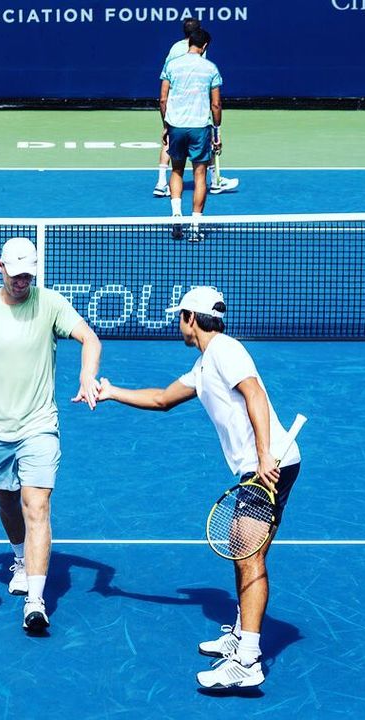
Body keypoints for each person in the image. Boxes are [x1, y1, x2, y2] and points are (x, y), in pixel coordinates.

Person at [94, 286, 302, 689]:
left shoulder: (225, 350)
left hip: (267, 466)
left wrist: (263, 456)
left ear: (191, 318)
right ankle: (242, 635)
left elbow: (255, 395)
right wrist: (112, 392)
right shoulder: (207, 363)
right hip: (265, 464)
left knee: (248, 556)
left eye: (181, 316)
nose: (179, 323)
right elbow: (162, 399)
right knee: (245, 552)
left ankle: (248, 660)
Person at [0, 237, 102, 634]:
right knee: (8, 503)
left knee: (37, 506)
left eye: (28, 274)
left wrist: (87, 375)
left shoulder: (51, 304)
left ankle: (35, 602)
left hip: (39, 425)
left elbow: (90, 338)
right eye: (15, 274)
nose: (21, 281)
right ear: (1, 268)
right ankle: (21, 559)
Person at [153, 20, 238, 198]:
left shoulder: (174, 49)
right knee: (205, 149)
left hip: (176, 111)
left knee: (170, 147)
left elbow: (165, 92)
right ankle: (214, 181)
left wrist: (166, 122)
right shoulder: (204, 58)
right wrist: (217, 129)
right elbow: (208, 90)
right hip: (196, 110)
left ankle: (161, 183)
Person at [159, 28, 226, 241]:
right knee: (200, 175)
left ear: (189, 43)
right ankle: (195, 227)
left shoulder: (171, 65)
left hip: (176, 126)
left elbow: (163, 99)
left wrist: (166, 126)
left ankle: (176, 215)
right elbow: (216, 104)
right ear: (204, 46)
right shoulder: (211, 68)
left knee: (177, 170)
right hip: (200, 128)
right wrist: (216, 131)